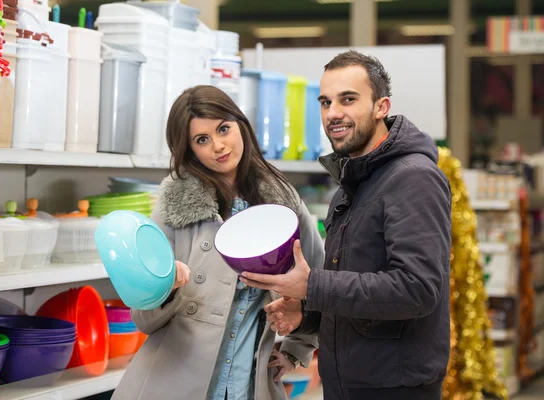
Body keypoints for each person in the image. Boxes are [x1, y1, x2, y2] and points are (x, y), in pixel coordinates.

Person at [240, 50, 452, 400]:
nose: (333, 113)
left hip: (396, 389)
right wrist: (306, 315)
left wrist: (312, 286)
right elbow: (358, 289)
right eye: (325, 102)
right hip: (348, 383)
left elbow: (417, 289)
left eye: (348, 99)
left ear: (381, 106)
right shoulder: (353, 184)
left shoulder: (413, 178)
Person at [111, 85, 324, 400]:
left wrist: (296, 350)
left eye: (223, 128)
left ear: (240, 124)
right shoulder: (174, 204)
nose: (219, 146)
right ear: (189, 150)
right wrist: (167, 289)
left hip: (251, 384)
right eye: (202, 139)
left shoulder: (282, 201)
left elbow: (320, 281)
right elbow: (143, 319)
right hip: (173, 381)